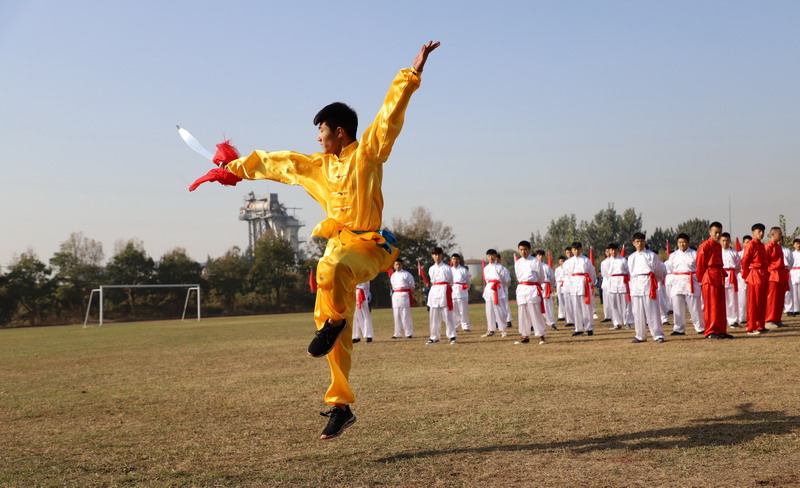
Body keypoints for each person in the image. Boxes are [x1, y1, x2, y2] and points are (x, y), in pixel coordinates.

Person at [190, 41, 440, 440]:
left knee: (332, 268)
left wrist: (411, 75)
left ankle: (337, 321)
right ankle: (340, 406)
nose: (319, 139)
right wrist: (231, 169)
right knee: (331, 316)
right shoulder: (317, 166)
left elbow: (389, 116)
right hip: (338, 249)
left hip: (370, 246)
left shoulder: (367, 155)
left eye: (322, 132)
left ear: (339, 132)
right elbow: (277, 162)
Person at [696, 222, 733, 339]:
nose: (717, 235)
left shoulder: (718, 246)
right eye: (715, 232)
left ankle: (721, 329)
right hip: (709, 277)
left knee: (720, 305)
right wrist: (702, 280)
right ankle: (711, 331)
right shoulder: (705, 246)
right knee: (711, 305)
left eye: (719, 232)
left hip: (719, 276)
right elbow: (700, 265)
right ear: (710, 232)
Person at [628, 232, 666, 343]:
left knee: (652, 310)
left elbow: (658, 271)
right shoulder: (631, 257)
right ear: (633, 243)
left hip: (648, 283)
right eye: (637, 241)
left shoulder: (651, 255)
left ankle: (657, 334)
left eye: (641, 241)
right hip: (636, 284)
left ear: (645, 242)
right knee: (638, 311)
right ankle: (640, 335)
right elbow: (630, 271)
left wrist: (655, 281)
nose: (639, 243)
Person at [666, 233, 705, 336]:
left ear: (688, 242)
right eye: (680, 242)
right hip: (678, 282)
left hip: (691, 281)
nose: (682, 244)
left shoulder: (695, 254)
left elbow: (700, 268)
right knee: (678, 307)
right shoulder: (673, 255)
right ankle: (679, 328)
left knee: (695, 307)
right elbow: (670, 268)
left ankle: (700, 327)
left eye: (684, 242)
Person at [514, 241, 548, 344]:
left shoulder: (535, 262)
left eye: (525, 249)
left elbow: (541, 277)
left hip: (532, 288)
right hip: (522, 288)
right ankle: (525, 335)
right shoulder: (518, 263)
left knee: (535, 313)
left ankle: (541, 335)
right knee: (523, 313)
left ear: (529, 250)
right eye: (521, 250)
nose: (523, 252)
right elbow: (518, 276)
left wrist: (534, 285)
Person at [741, 224, 769, 335]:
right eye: (759, 231)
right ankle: (751, 327)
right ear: (753, 232)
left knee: (762, 302)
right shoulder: (751, 245)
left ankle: (760, 325)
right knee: (754, 303)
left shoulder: (762, 245)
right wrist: (746, 276)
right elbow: (745, 261)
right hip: (755, 274)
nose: (761, 233)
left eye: (762, 231)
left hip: (763, 274)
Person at [426, 247, 457, 345]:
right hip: (434, 291)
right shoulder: (431, 269)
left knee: (447, 315)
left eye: (439, 254)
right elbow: (431, 281)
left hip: (444, 291)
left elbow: (451, 281)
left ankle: (452, 336)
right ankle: (434, 337)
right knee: (434, 316)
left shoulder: (447, 267)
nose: (437, 256)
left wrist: (445, 289)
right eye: (435, 254)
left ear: (441, 255)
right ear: (432, 256)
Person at [566, 242, 596, 336]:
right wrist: (570, 287)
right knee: (576, 308)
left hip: (584, 284)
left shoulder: (586, 260)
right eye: (574, 249)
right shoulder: (569, 262)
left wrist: (590, 283)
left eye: (578, 249)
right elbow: (567, 275)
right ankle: (578, 328)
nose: (576, 251)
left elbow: (592, 273)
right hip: (574, 285)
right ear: (572, 250)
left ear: (581, 249)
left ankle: (589, 328)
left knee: (587, 307)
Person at [765, 227, 792, 329]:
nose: (781, 236)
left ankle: (777, 319)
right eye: (779, 234)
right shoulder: (768, 247)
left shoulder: (778, 247)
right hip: (773, 275)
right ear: (773, 234)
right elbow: (765, 262)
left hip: (781, 274)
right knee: (772, 299)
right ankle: (769, 319)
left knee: (780, 299)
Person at [481, 249, 512, 338]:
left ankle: (503, 330)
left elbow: (506, 280)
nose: (491, 257)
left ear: (495, 256)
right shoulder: (486, 268)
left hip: (498, 288)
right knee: (489, 310)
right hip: (489, 289)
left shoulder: (501, 267)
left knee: (499, 310)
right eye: (489, 256)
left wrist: (501, 288)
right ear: (487, 257)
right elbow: (486, 280)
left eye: (492, 255)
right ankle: (491, 330)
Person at [604, 243, 631, 330]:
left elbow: (628, 271)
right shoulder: (606, 262)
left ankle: (627, 322)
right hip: (612, 282)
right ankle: (617, 323)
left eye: (615, 250)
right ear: (609, 251)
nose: (613, 252)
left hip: (622, 281)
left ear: (617, 250)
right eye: (612, 250)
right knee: (613, 303)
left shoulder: (623, 260)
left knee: (625, 303)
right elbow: (605, 274)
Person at [720, 232, 741, 328]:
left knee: (732, 300)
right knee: (720, 300)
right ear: (720, 241)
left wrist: (732, 273)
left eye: (727, 240)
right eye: (723, 240)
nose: (725, 242)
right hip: (720, 277)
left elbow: (738, 266)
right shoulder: (717, 252)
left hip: (731, 276)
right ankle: (721, 319)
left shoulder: (734, 253)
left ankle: (733, 320)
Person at [389, 259, 415, 339]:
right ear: (394, 265)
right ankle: (397, 333)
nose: (398, 266)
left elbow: (412, 285)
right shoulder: (393, 275)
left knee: (405, 314)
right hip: (396, 294)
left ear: (402, 265)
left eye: (399, 264)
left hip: (404, 294)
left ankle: (409, 333)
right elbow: (393, 285)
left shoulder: (407, 274)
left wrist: (407, 292)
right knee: (396, 315)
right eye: (396, 264)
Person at [534, 250, 557, 330]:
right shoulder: (534, 266)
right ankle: (536, 323)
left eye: (542, 256)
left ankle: (551, 322)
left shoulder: (546, 267)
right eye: (539, 255)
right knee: (536, 306)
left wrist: (551, 285)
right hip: (537, 287)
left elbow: (552, 278)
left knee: (548, 306)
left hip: (545, 287)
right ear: (536, 257)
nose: (540, 257)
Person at [450, 253, 472, 332]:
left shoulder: (463, 269)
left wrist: (465, 287)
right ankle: (455, 326)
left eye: (456, 259)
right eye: (453, 259)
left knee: (463, 310)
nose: (455, 261)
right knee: (454, 311)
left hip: (462, 292)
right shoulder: (450, 270)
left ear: (459, 260)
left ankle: (465, 325)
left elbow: (468, 281)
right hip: (453, 292)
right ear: (451, 260)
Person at [737, 235, 752, 325]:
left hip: (752, 276)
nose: (748, 244)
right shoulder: (738, 254)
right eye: (747, 242)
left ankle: (751, 316)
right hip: (742, 277)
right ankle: (742, 317)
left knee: (752, 298)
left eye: (750, 242)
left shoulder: (754, 254)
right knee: (742, 298)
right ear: (743, 244)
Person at [555, 255, 573, 325]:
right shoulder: (557, 269)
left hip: (566, 284)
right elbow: (556, 277)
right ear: (559, 262)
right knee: (560, 300)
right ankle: (561, 315)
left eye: (563, 261)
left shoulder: (568, 268)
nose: (562, 262)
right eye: (561, 261)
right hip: (559, 284)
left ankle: (568, 315)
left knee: (567, 300)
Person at [600, 247, 613, 322]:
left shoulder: (615, 260)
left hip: (614, 281)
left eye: (609, 251)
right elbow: (603, 273)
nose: (608, 253)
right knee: (606, 300)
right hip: (606, 282)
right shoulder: (603, 262)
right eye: (607, 251)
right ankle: (607, 315)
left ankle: (614, 316)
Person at [790, 239, 800, 317]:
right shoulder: (791, 254)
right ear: (793, 245)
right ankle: (795, 309)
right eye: (796, 244)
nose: (798, 245)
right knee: (794, 292)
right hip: (793, 272)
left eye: (799, 244)